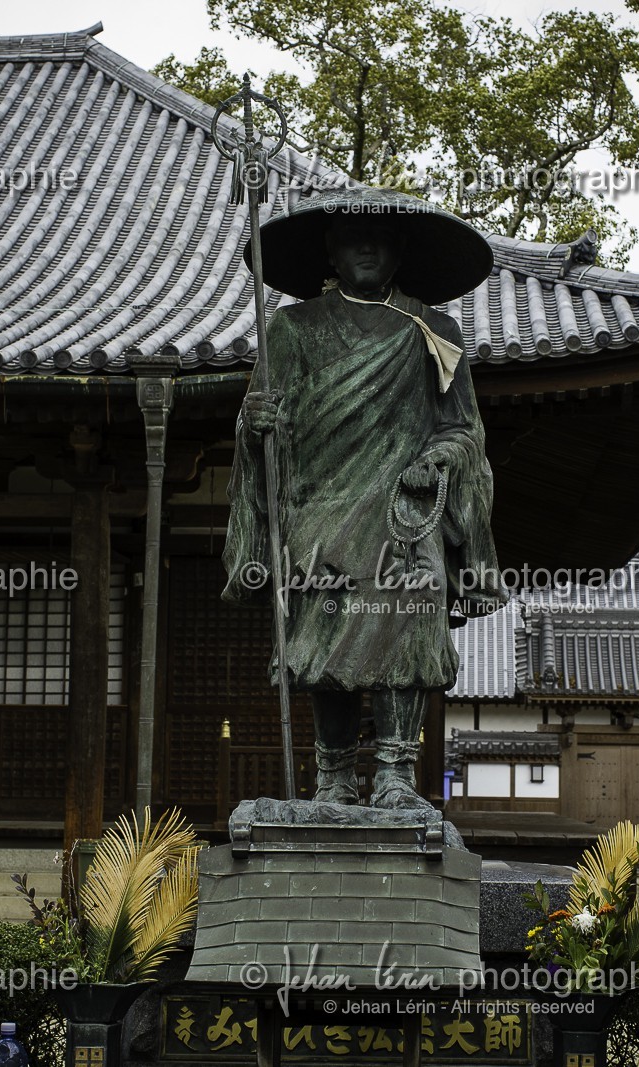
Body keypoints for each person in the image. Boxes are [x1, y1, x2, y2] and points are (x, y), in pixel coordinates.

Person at [222, 188, 506, 810]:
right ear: (332, 248)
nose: (368, 248)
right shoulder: (291, 330)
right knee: (328, 641)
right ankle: (332, 778)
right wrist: (256, 425)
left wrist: (439, 459)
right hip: (322, 509)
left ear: (402, 249)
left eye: (380, 238)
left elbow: (463, 428)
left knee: (405, 633)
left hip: (404, 510)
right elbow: (263, 423)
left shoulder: (434, 330)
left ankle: (398, 774)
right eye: (354, 237)